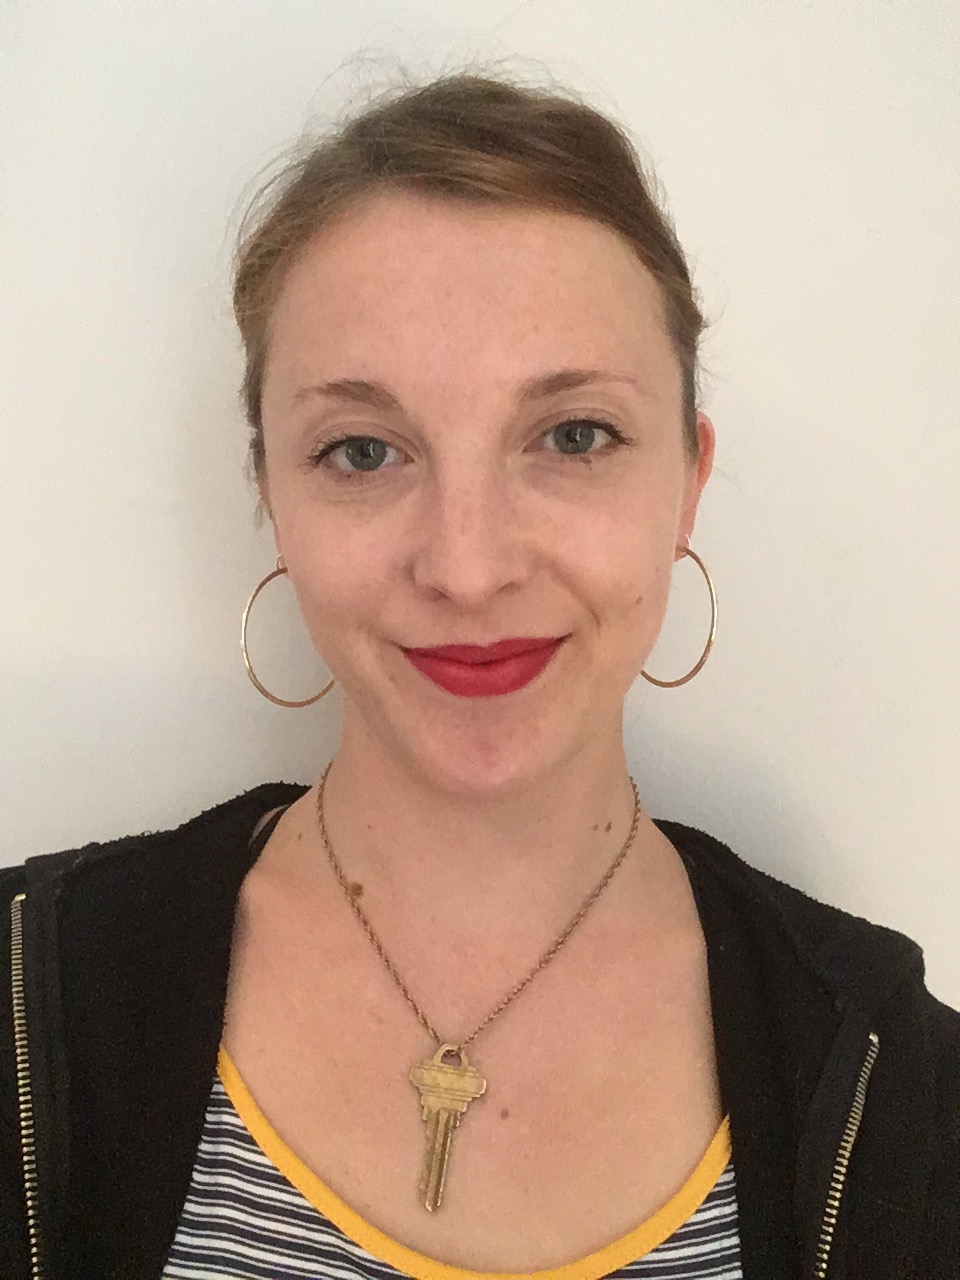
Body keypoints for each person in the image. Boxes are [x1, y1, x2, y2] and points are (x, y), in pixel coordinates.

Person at [1, 72, 956, 1280]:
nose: (467, 565)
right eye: (362, 449)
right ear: (269, 492)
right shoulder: (28, 997)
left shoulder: (900, 1090)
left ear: (688, 484)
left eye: (573, 436)